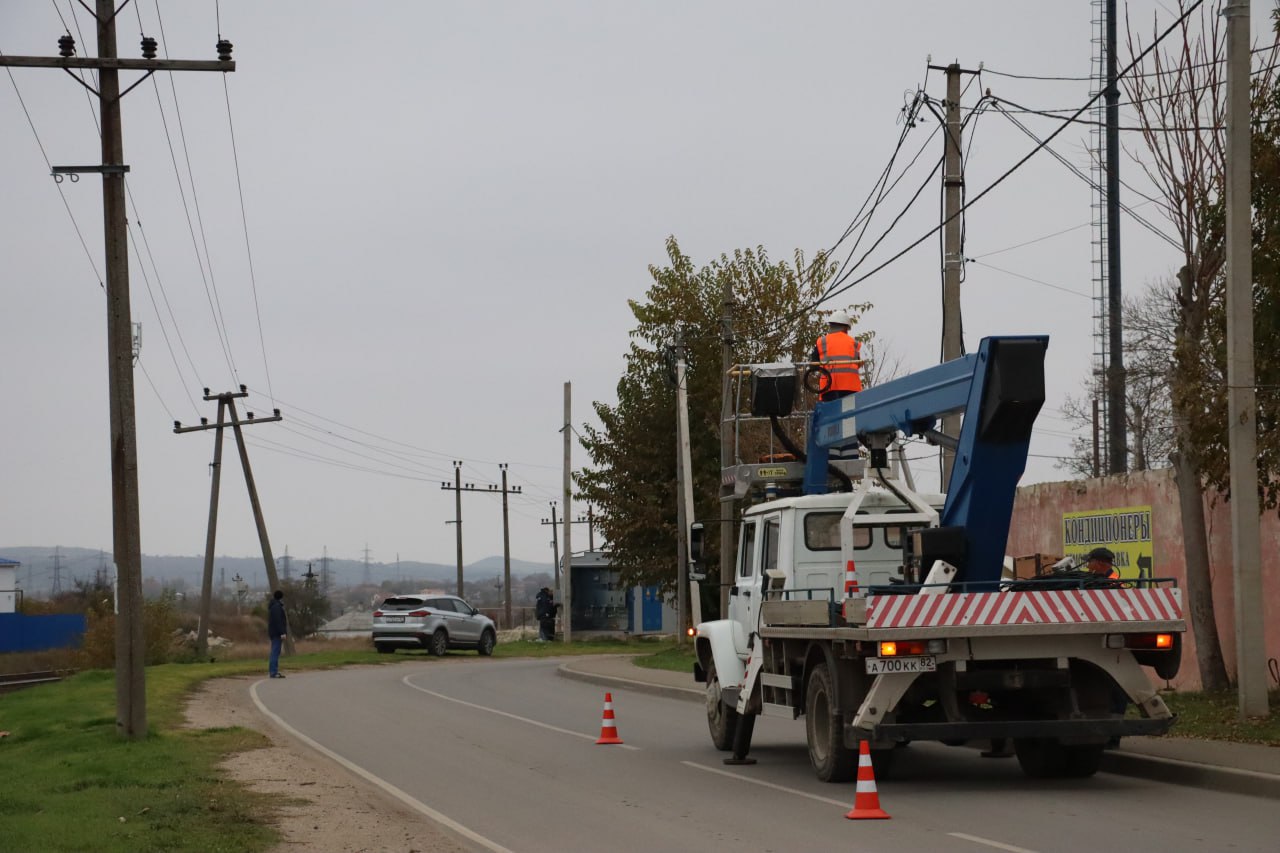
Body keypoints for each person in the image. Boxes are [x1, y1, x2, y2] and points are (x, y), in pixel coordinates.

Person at [810, 309, 863, 402]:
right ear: (846, 328)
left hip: (829, 387)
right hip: (850, 387)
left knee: (831, 414)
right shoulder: (853, 342)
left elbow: (814, 364)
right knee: (849, 414)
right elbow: (858, 363)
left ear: (831, 326)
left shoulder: (822, 342)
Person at [267, 589, 288, 678]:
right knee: (275, 652)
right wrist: (282, 632)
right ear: (281, 597)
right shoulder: (277, 607)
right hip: (277, 633)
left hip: (273, 632)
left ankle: (273, 671)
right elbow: (278, 621)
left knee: (275, 651)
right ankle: (273, 672)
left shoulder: (273, 606)